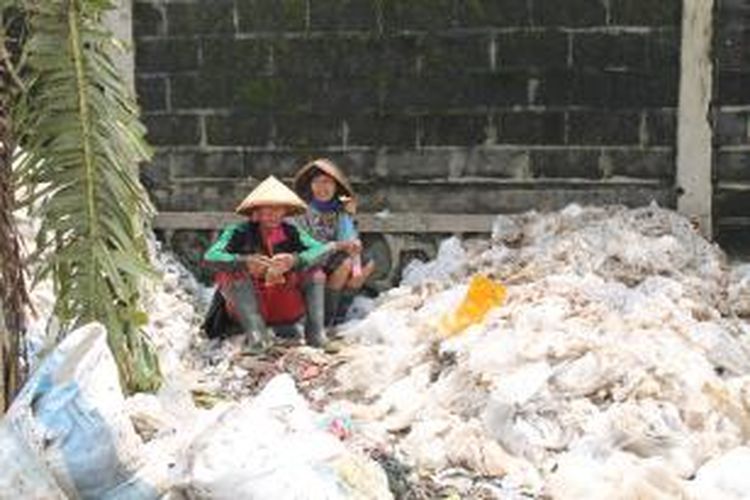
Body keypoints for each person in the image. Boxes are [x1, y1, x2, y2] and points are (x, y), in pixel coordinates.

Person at [202, 175, 343, 351]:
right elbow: (211, 256)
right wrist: (244, 262)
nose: (273, 215)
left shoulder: (292, 232)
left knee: (316, 274)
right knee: (233, 273)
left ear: (285, 212)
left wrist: (295, 260)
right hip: (247, 307)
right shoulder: (237, 232)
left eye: (278, 210)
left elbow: (321, 250)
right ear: (256, 213)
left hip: (285, 303)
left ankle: (316, 335)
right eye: (267, 210)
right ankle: (258, 338)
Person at [292, 158, 375, 326]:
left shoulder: (341, 209)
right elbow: (305, 244)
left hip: (337, 253)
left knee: (366, 265)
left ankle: (341, 312)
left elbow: (348, 235)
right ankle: (327, 319)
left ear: (336, 185)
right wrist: (340, 247)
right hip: (313, 256)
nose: (323, 187)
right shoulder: (301, 211)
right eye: (317, 182)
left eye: (328, 182)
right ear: (310, 186)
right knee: (344, 265)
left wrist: (354, 244)